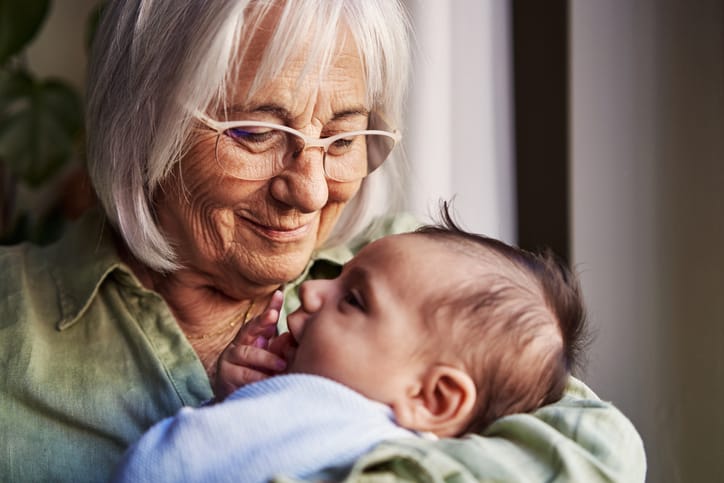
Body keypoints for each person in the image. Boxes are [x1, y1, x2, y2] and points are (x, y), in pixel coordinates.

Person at [0, 1, 645, 481]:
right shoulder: (13, 321)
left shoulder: (421, 277)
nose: (309, 191)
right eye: (255, 131)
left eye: (342, 137)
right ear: (142, 120)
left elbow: (600, 455)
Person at [112, 209, 590, 482]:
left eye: (354, 300)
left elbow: (175, 464)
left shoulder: (349, 434)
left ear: (433, 398)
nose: (314, 291)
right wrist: (239, 400)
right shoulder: (340, 419)